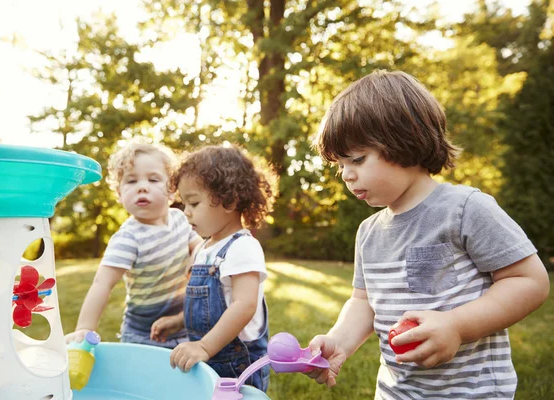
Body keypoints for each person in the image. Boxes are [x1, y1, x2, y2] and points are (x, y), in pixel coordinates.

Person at [305, 70, 550, 399]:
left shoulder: (465, 209)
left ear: (403, 140)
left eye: (358, 159)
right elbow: (363, 303)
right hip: (397, 393)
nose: (347, 175)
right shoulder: (368, 233)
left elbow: (529, 281)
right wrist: (339, 341)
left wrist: (457, 326)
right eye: (340, 165)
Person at [152, 144, 276, 392]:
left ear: (229, 201)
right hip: (208, 360)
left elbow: (244, 305)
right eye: (184, 204)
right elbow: (208, 309)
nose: (186, 212)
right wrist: (180, 321)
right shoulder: (203, 248)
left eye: (194, 203)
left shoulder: (242, 247)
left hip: (238, 367)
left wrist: (205, 346)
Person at [65, 141, 201, 349]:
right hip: (142, 334)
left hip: (184, 325)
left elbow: (199, 246)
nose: (142, 187)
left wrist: (196, 260)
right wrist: (85, 327)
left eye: (154, 179)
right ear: (119, 194)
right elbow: (102, 283)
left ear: (172, 191)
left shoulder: (180, 220)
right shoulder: (128, 238)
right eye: (131, 181)